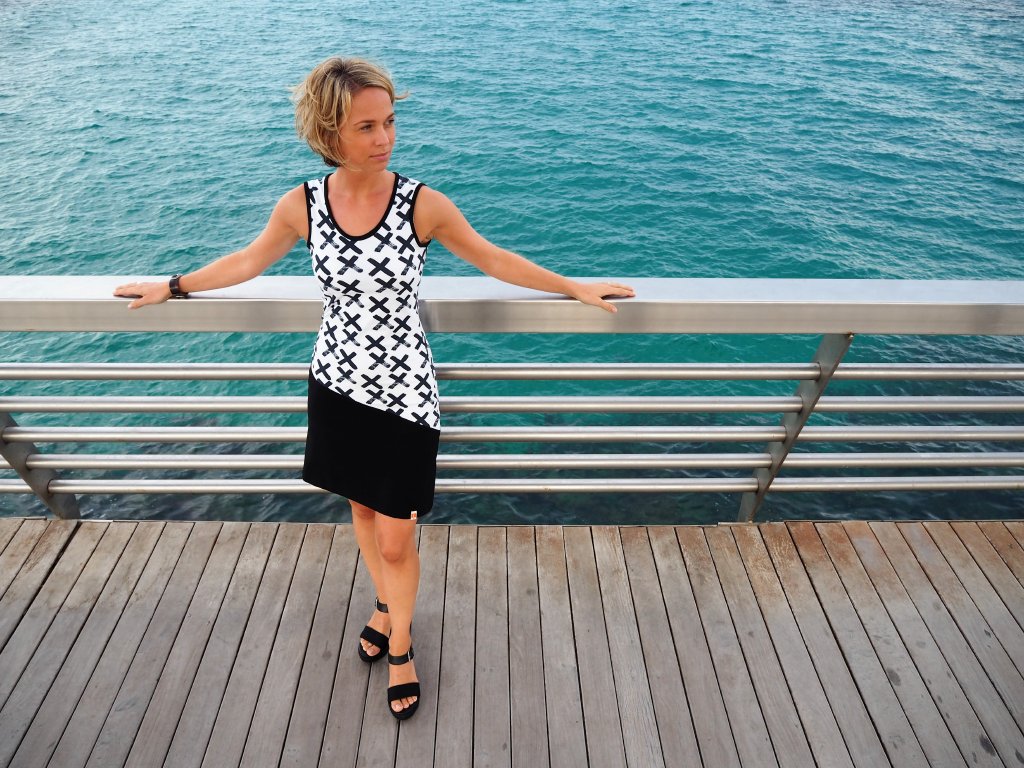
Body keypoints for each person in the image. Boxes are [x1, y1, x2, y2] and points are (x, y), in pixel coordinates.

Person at [113, 56, 635, 721]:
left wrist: (573, 287)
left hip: (404, 396)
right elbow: (247, 260)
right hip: (336, 384)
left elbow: (492, 257)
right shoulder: (302, 205)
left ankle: (402, 645)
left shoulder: (422, 204)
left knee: (396, 535)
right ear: (328, 131)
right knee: (361, 513)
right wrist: (174, 284)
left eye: (389, 121)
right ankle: (386, 607)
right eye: (366, 126)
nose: (384, 137)